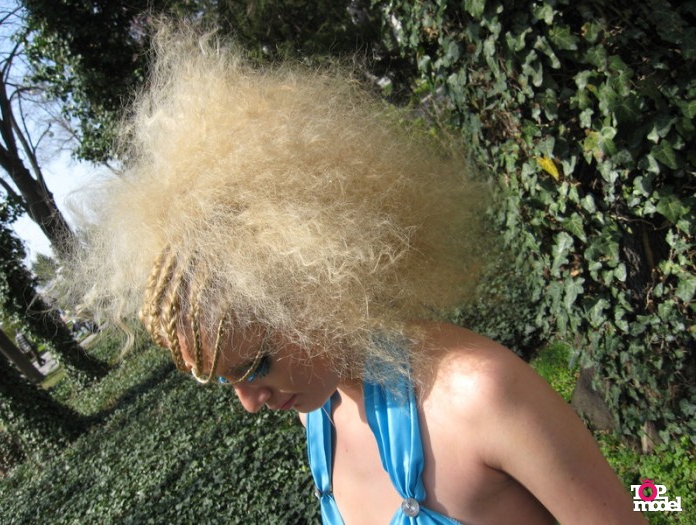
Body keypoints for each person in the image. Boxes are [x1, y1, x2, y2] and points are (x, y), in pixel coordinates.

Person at [70, 24, 647, 525]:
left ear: (315, 291)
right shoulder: (320, 414)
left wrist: (653, 498)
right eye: (227, 381)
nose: (250, 403)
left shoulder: (479, 396)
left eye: (256, 366)